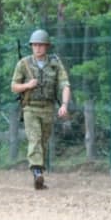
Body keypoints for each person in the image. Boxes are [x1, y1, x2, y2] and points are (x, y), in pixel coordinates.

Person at [11, 29, 71, 189]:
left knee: (43, 142)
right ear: (31, 46)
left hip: (48, 108)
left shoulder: (55, 63)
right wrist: (27, 85)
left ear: (47, 46)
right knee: (35, 139)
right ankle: (37, 172)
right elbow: (14, 87)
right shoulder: (23, 64)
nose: (37, 48)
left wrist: (64, 104)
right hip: (30, 108)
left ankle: (39, 172)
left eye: (41, 45)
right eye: (35, 45)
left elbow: (65, 84)